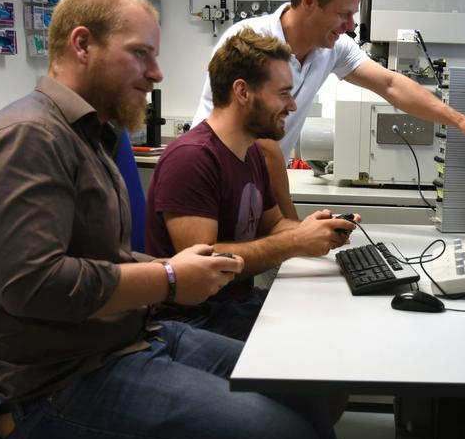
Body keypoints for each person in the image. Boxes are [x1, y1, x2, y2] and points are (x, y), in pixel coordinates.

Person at [0, 0, 337, 439]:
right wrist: (170, 278)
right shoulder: (29, 137)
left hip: (130, 338)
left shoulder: (89, 136)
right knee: (279, 433)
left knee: (306, 392)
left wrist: (165, 270)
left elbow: (99, 258)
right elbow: (33, 284)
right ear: (82, 45)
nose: (156, 72)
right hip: (59, 382)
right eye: (141, 54)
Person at [192, 0, 465, 219]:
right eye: (343, 14)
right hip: (214, 183)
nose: (351, 25)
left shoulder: (331, 48)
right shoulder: (249, 43)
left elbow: (390, 84)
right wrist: (294, 227)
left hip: (257, 190)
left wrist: (459, 120)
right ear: (309, 1)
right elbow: (261, 146)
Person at [146, 27, 358, 341]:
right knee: (317, 352)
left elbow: (273, 225)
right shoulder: (192, 158)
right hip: (192, 323)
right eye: (284, 93)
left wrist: (313, 230)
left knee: (334, 328)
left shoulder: (252, 151)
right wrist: (294, 243)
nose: (293, 106)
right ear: (243, 92)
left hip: (234, 307)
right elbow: (205, 263)